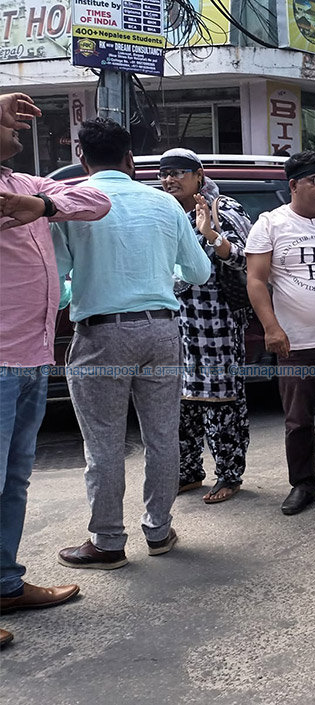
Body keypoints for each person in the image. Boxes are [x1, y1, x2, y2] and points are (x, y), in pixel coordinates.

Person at [53, 118, 211, 569]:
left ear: (81, 157)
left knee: (103, 443)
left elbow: (59, 278)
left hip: (102, 333)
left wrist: (80, 288)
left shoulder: (71, 205)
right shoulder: (164, 204)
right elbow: (199, 273)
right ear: (130, 160)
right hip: (162, 331)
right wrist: (162, 282)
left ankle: (107, 542)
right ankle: (159, 532)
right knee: (163, 437)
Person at [0, 93, 109, 645]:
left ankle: (4, 584)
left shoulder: (25, 185)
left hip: (30, 359)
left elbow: (95, 202)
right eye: (4, 123)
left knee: (14, 481)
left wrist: (42, 207)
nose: (17, 128)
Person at [246, 151, 315, 515]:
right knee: (298, 420)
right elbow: (256, 280)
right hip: (295, 342)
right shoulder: (270, 224)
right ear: (294, 185)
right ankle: (304, 484)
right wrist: (272, 327)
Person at [160, 148, 254, 505]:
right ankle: (188, 471)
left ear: (199, 174)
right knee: (182, 405)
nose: (170, 179)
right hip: (175, 325)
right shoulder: (166, 211)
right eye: (165, 173)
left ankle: (229, 474)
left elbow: (246, 259)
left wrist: (212, 235)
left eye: (178, 172)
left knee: (221, 402)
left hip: (215, 324)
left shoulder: (223, 208)